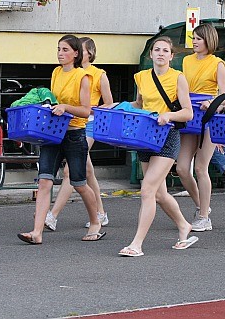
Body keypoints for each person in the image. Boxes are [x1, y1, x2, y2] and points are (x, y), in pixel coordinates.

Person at [17, 35, 103, 245]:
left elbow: (86, 110)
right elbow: (54, 100)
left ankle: (95, 221)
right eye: (58, 49)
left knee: (79, 183)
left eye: (65, 49)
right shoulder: (56, 72)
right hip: (52, 133)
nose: (60, 53)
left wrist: (65, 107)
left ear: (76, 53)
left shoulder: (83, 76)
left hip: (74, 134)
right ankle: (37, 232)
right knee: (45, 181)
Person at [118, 37, 195, 257]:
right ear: (151, 54)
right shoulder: (142, 77)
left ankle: (137, 244)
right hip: (144, 137)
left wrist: (168, 115)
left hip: (167, 136)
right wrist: (119, 106)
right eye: (157, 50)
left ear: (172, 56)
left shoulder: (178, 78)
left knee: (147, 190)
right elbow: (140, 104)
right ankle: (183, 225)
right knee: (159, 194)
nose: (161, 54)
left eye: (165, 51)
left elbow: (188, 112)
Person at [44, 37, 114, 232]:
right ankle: (100, 213)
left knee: (70, 172)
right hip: (66, 123)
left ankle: (53, 215)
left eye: (78, 50)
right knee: (87, 172)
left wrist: (91, 110)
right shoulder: (63, 72)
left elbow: (109, 103)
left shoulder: (97, 75)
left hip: (88, 123)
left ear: (87, 53)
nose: (63, 53)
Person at [175, 23, 225, 232]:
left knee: (200, 167)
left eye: (198, 38)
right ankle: (201, 206)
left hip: (209, 117)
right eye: (193, 38)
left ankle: (204, 216)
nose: (194, 42)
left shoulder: (218, 64)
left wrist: (211, 104)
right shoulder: (186, 61)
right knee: (181, 168)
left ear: (208, 40)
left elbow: (224, 96)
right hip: (190, 115)